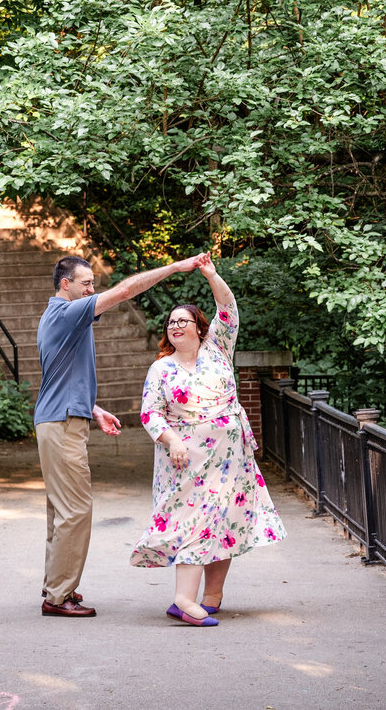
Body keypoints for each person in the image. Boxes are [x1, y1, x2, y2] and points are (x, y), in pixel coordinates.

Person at [36, 251, 203, 618]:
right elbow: (126, 290)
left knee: (61, 511)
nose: (93, 289)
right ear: (66, 285)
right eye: (87, 283)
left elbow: (58, 376)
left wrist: (92, 408)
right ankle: (58, 597)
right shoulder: (67, 311)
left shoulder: (56, 318)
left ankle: (57, 587)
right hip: (62, 424)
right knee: (75, 510)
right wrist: (175, 266)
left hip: (61, 417)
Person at [130, 253, 284, 626]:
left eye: (184, 321)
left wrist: (212, 275)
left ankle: (212, 596)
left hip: (232, 456)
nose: (176, 326)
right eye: (171, 322)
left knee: (226, 522)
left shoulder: (218, 350)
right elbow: (150, 413)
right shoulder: (161, 368)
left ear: (201, 328)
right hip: (186, 459)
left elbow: (228, 308)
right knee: (194, 520)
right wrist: (172, 440)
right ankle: (185, 600)